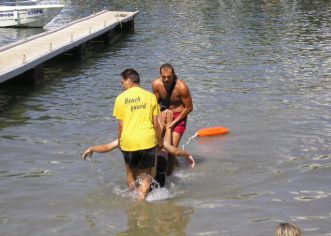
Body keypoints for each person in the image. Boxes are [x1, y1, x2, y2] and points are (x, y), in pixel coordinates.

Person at [82, 110, 195, 189]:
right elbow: (175, 151)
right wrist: (188, 155)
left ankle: (167, 126)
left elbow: (107, 147)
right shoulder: (140, 137)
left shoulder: (128, 139)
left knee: (163, 155)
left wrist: (92, 149)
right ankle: (166, 126)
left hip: (155, 174)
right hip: (156, 176)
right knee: (163, 152)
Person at [112, 68, 162, 200]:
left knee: (130, 174)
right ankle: (141, 202)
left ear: (129, 81)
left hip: (128, 141)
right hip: (147, 140)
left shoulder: (120, 99)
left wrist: (120, 143)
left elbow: (120, 126)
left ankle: (133, 203)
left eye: (122, 82)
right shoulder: (150, 97)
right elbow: (156, 124)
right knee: (146, 176)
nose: (122, 85)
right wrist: (160, 142)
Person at [152, 63, 193, 148]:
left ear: (174, 75)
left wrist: (173, 123)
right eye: (164, 77)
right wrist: (158, 120)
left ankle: (173, 159)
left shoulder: (182, 87)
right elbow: (155, 105)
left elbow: (189, 108)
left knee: (172, 149)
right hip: (164, 115)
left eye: (169, 77)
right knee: (158, 146)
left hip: (179, 117)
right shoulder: (156, 84)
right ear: (160, 75)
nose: (166, 79)